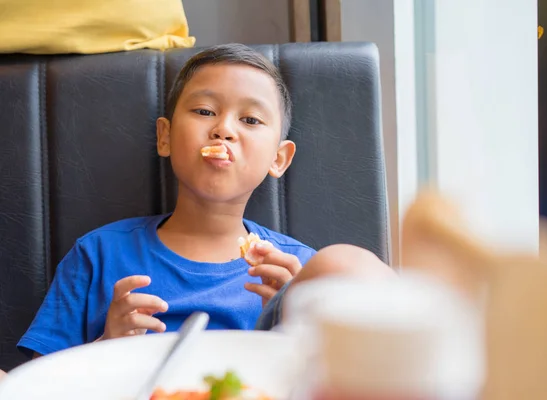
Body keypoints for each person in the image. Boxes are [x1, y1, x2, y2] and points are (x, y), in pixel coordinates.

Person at [16, 43, 395, 360]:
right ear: (164, 137)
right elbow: (39, 383)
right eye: (204, 111)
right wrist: (106, 347)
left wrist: (300, 317)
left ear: (278, 159)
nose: (224, 129)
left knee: (348, 264)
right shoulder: (98, 254)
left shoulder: (300, 274)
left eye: (250, 120)